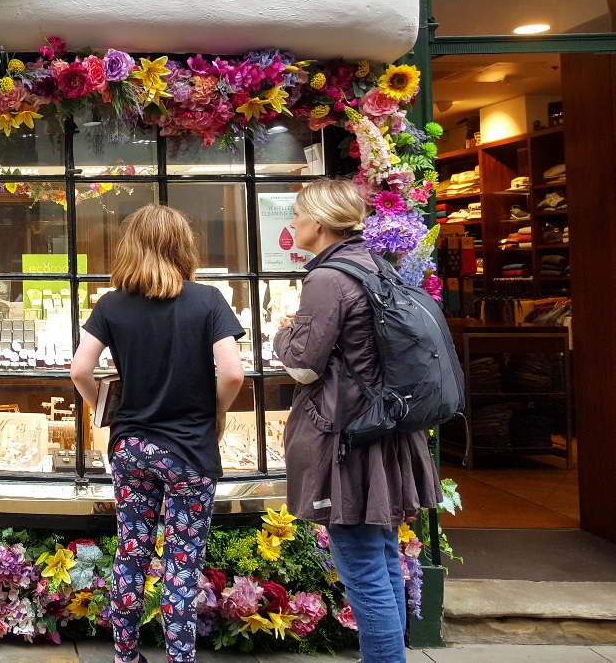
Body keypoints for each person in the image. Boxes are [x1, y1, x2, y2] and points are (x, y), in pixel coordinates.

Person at [273, 179, 441, 663]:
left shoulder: (326, 279)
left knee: (363, 566)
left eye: (300, 215)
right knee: (383, 555)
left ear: (320, 224)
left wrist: (282, 335)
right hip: (384, 432)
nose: (294, 224)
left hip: (348, 439)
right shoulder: (375, 265)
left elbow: (305, 364)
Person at [70, 204, 246, 663]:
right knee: (181, 565)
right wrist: (217, 413)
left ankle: (126, 657)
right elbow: (231, 374)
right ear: (183, 246)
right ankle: (179, 659)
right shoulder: (208, 300)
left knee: (131, 554)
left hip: (131, 448)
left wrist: (106, 406)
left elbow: (80, 370)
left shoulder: (110, 305)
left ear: (131, 246)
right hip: (190, 452)